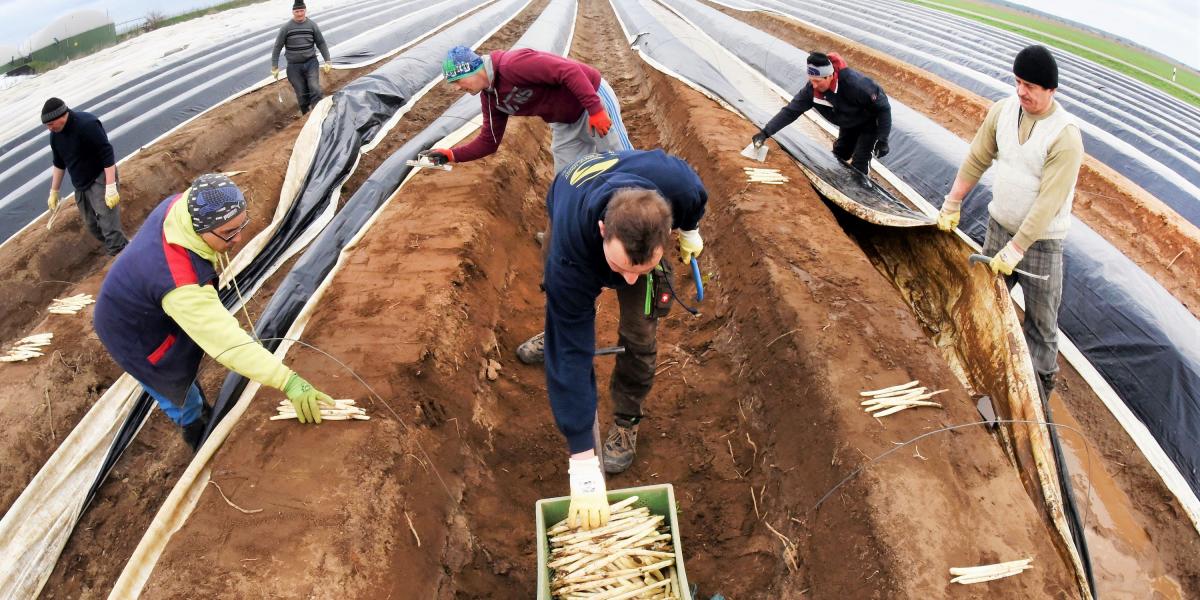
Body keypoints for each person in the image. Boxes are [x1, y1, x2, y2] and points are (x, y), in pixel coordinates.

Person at [522, 150, 707, 530]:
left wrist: (690, 230)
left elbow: (693, 196)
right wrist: (582, 460)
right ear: (605, 231)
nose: (628, 281)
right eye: (620, 268)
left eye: (642, 268)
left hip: (636, 202)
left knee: (639, 336)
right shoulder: (572, 253)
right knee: (566, 313)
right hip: (568, 202)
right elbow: (572, 360)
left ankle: (627, 419)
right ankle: (557, 321)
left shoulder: (678, 185)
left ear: (664, 232)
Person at [93, 174, 334, 451]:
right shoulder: (181, 285)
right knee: (179, 392)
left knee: (194, 337)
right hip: (130, 330)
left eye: (240, 225)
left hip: (149, 297)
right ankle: (197, 432)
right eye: (229, 233)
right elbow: (228, 344)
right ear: (201, 229)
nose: (239, 238)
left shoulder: (184, 207)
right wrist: (288, 381)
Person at [936, 45, 1083, 400]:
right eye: (1018, 81)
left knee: (1041, 323)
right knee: (984, 300)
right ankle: (978, 371)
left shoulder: (1064, 136)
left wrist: (1017, 249)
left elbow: (1049, 202)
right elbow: (977, 158)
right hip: (999, 227)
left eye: (1031, 85)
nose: (1022, 91)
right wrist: (951, 202)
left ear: (1051, 89)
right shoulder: (1003, 112)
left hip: (1041, 245)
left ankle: (1035, 398)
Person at [416, 46, 631, 174]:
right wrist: (452, 154)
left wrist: (595, 109)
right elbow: (489, 141)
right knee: (566, 181)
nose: (457, 88)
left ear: (473, 69)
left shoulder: (513, 65)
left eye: (458, 80)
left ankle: (655, 214)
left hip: (590, 99)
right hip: (564, 121)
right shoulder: (491, 98)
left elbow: (569, 71)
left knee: (621, 162)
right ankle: (561, 236)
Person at [750, 52, 891, 181]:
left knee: (859, 162)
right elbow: (790, 111)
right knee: (840, 153)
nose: (814, 85)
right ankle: (834, 187)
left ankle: (861, 193)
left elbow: (883, 108)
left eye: (818, 81)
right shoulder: (811, 91)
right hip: (848, 123)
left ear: (830, 76)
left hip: (869, 124)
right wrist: (765, 133)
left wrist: (883, 139)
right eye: (812, 80)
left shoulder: (857, 85)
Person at [42, 97, 128, 255]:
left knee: (108, 222)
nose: (49, 128)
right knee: (91, 225)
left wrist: (110, 186)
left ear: (61, 116)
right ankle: (122, 246)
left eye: (50, 124)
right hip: (81, 183)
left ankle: (119, 252)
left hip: (100, 176)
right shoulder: (56, 135)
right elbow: (59, 163)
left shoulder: (87, 125)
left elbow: (107, 153)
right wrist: (54, 191)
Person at [270, 0, 332, 115]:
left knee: (314, 87)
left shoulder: (312, 25)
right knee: (301, 93)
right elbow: (277, 47)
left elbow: (321, 43)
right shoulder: (286, 28)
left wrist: (328, 60)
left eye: (301, 11)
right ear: (293, 12)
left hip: (311, 62)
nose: (299, 14)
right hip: (294, 66)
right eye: (297, 11)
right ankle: (305, 113)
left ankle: (317, 113)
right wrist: (274, 66)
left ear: (305, 11)